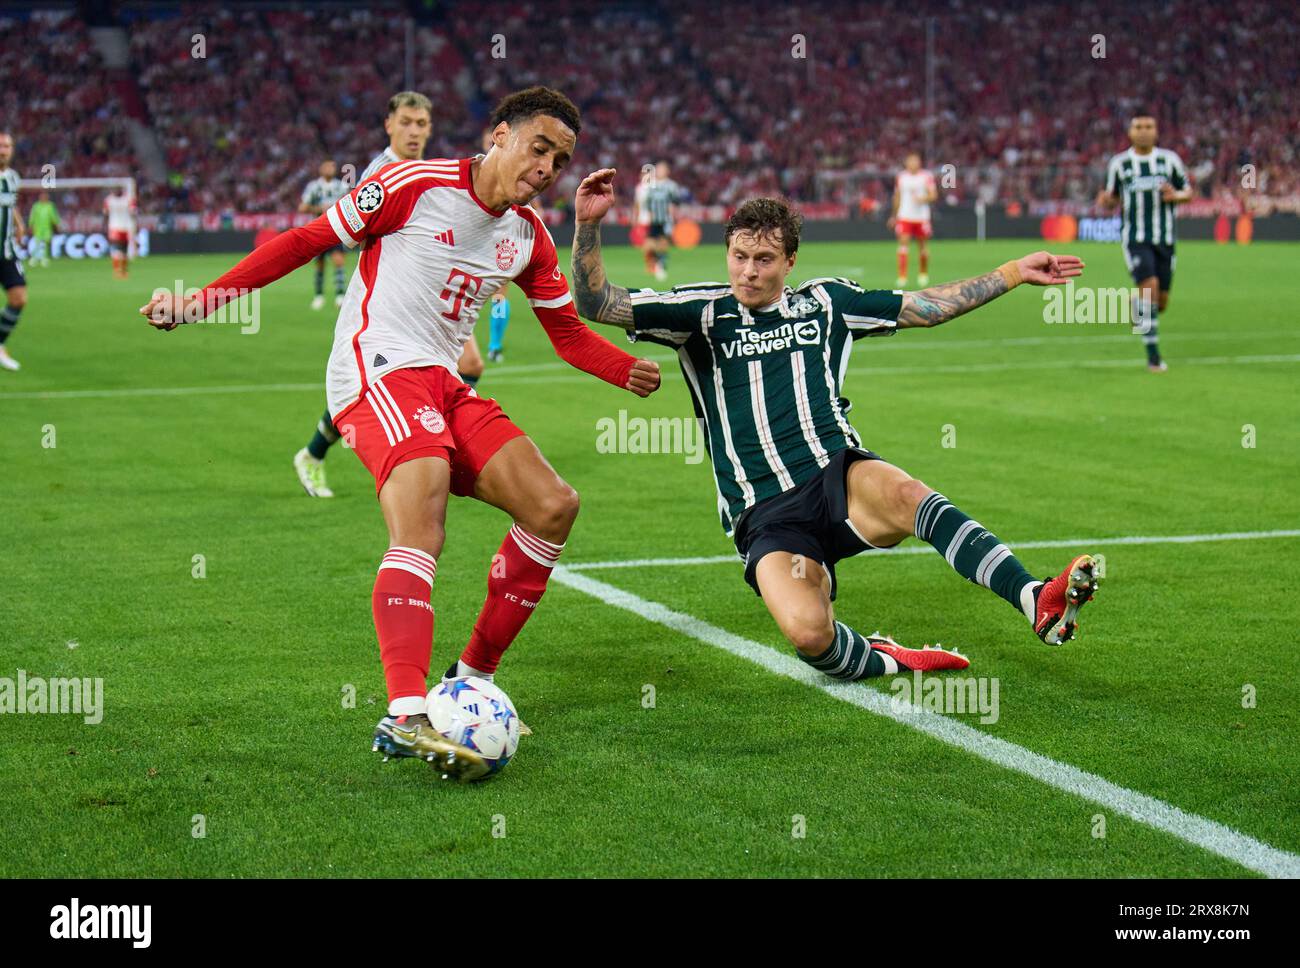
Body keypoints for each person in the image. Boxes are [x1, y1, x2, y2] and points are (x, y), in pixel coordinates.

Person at [141, 89, 662, 780]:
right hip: (376, 372)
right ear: (499, 135)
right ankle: (405, 710)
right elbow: (306, 242)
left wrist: (629, 370)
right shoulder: (411, 184)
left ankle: (469, 678)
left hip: (442, 383)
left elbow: (567, 337)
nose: (547, 167)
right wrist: (198, 302)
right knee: (424, 517)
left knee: (553, 505)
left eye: (561, 159)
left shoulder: (528, 235)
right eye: (538, 147)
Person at [571, 170, 1099, 680]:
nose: (749, 271)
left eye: (764, 259)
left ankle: (1034, 597)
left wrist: (1011, 272)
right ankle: (888, 658)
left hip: (835, 475)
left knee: (909, 495)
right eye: (739, 257)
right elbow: (597, 302)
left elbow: (926, 307)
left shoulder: (826, 303)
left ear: (790, 261)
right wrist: (588, 225)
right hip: (764, 514)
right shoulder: (700, 313)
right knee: (808, 634)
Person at [1096, 115, 1191, 372]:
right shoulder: (1120, 164)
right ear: (1130, 132)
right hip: (1135, 238)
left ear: (1156, 131)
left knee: (1160, 303)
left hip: (1166, 239)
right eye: (1138, 127)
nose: (1144, 131)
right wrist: (1106, 201)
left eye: (1149, 126)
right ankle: (1153, 358)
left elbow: (1188, 191)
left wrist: (1176, 195)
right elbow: (1112, 198)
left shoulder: (1169, 160)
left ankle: (1136, 303)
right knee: (1150, 288)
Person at [299, 160, 349, 311]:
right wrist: (318, 208)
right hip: (318, 230)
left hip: (336, 229)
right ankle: (319, 296)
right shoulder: (314, 187)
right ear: (321, 169)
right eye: (327, 166)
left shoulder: (341, 186)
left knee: (339, 261)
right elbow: (302, 207)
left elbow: (348, 204)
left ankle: (340, 296)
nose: (330, 169)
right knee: (320, 265)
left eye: (332, 166)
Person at [0, 131, 28, 372]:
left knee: (19, 298)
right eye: (0, 146)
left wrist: (18, 224)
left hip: (6, 252)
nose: (3, 150)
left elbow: (11, 204)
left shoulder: (12, 178)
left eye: (7, 146)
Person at [888, 153, 937, 287]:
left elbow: (934, 195)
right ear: (906, 163)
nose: (914, 163)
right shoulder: (901, 177)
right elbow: (897, 197)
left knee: (922, 246)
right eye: (911, 161)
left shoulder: (926, 176)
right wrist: (894, 215)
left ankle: (923, 273)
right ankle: (902, 277)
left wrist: (923, 199)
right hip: (905, 216)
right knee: (903, 244)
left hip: (921, 217)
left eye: (916, 161)